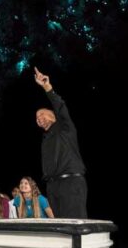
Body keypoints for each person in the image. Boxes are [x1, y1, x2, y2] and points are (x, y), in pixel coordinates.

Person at [34, 67, 88, 218]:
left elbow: (61, 107)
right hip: (53, 186)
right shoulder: (45, 139)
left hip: (70, 182)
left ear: (53, 116)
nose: (39, 119)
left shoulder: (65, 127)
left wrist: (47, 87)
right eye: (37, 119)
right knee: (60, 227)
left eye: (42, 115)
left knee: (73, 226)